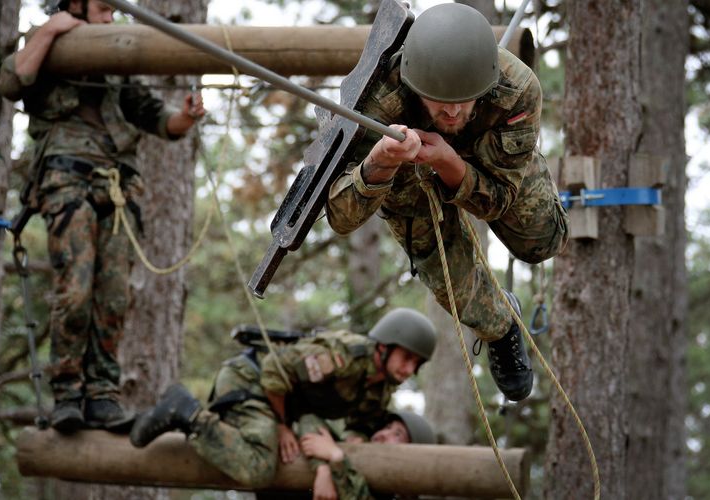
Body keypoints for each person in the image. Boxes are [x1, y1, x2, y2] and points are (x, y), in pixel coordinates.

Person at [325, 3, 568, 403]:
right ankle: (502, 324)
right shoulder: (375, 103)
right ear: (414, 85)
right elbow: (341, 217)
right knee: (456, 289)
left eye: (463, 100)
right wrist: (379, 163)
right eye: (439, 101)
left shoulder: (517, 89)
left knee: (543, 242)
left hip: (489, 157)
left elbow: (499, 199)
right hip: (403, 172)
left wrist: (448, 161)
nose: (453, 112)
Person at [0, 0, 205, 433]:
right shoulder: (48, 45)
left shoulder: (116, 63)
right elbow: (11, 81)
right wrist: (52, 31)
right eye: (103, 10)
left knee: (113, 297)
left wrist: (185, 117)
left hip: (117, 188)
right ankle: (68, 394)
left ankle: (102, 395)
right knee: (75, 290)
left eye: (114, 11)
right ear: (76, 5)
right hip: (66, 180)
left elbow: (158, 120)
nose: (111, 19)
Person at [128, 308, 438, 489]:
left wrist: (334, 461)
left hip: (282, 402)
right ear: (385, 346)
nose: (409, 369)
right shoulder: (344, 356)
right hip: (251, 381)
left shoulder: (380, 387)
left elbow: (360, 427)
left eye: (416, 364)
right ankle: (187, 411)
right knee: (260, 466)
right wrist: (281, 426)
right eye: (406, 358)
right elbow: (275, 374)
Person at [295, 411, 436, 500]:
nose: (383, 434)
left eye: (398, 435)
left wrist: (337, 458)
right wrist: (322, 468)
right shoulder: (351, 451)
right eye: (387, 427)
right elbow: (309, 419)